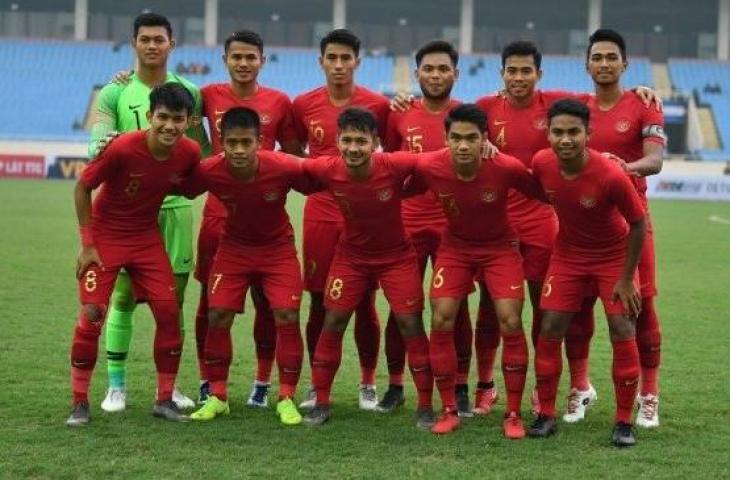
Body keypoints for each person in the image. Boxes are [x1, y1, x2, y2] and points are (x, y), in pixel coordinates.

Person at [88, 12, 209, 413]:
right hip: (128, 213)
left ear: (172, 44)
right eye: (145, 39)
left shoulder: (189, 91)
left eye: (160, 39)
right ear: (134, 43)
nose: (152, 45)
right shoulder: (115, 91)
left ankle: (168, 388)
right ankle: (116, 387)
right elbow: (96, 147)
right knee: (122, 297)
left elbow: (201, 151)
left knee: (172, 303)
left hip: (175, 209)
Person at [66, 83, 201, 426]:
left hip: (145, 238)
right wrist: (87, 244)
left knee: (169, 312)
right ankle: (80, 402)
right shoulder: (123, 148)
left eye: (178, 119)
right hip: (106, 238)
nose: (170, 125)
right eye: (163, 117)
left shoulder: (188, 152)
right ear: (150, 116)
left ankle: (164, 399)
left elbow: (189, 183)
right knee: (93, 312)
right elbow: (83, 187)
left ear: (188, 121)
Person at [411, 104, 545, 438]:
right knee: (441, 316)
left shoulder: (505, 166)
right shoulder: (429, 165)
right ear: (446, 138)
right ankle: (448, 409)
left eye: (471, 138)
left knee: (510, 319)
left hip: (500, 249)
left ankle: (512, 414)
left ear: (485, 138)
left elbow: (546, 192)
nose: (463, 145)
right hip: (455, 248)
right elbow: (396, 183)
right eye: (455, 138)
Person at [177, 107, 313, 426]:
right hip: (234, 249)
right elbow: (176, 184)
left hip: (277, 250)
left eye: (246, 143)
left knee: (287, 315)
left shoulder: (281, 166)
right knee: (217, 314)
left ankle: (287, 397)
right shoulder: (210, 170)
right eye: (232, 142)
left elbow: (323, 175)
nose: (239, 150)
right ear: (222, 141)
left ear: (259, 142)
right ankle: (219, 396)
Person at [300, 108, 435, 429]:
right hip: (351, 258)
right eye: (347, 140)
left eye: (362, 141)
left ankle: (426, 407)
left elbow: (433, 161)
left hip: (397, 258)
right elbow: (288, 165)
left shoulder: (394, 164)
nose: (354, 148)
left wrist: (488, 148)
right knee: (332, 321)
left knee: (410, 324)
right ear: (337, 141)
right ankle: (321, 403)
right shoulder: (328, 168)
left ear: (376, 142)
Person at [528, 98, 646, 448]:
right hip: (568, 257)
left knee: (622, 326)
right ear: (547, 134)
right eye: (558, 132)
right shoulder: (541, 164)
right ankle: (546, 414)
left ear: (588, 134)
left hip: (613, 258)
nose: (565, 139)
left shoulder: (610, 174)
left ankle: (624, 422)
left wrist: (626, 278)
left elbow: (638, 224)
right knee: (550, 326)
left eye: (573, 132)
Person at [195, 29, 302, 408]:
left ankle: (262, 381)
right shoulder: (205, 95)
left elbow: (292, 158)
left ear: (262, 60)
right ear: (225, 59)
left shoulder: (279, 101)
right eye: (236, 57)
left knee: (271, 304)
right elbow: (187, 137)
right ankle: (209, 383)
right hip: (218, 218)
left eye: (250, 57)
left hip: (266, 212)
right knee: (212, 305)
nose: (243, 63)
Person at [569, 28, 665, 428]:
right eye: (598, 57)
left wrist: (624, 168)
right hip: (581, 223)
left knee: (640, 308)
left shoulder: (643, 105)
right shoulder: (575, 109)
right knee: (576, 309)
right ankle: (580, 387)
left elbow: (656, 160)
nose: (604, 64)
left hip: (631, 221)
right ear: (587, 64)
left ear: (624, 64)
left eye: (612, 57)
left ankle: (650, 394)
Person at [292, 29, 390, 410]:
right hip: (320, 214)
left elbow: (393, 159)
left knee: (364, 301)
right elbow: (292, 152)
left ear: (357, 62)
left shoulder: (379, 106)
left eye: (345, 58)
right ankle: (318, 385)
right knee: (318, 301)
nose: (338, 65)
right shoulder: (303, 105)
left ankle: (368, 382)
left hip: (364, 217)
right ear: (321, 62)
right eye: (331, 58)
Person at [379, 40, 474, 417]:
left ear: (456, 73)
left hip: (455, 227)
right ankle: (395, 384)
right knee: (402, 307)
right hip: (407, 224)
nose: (435, 75)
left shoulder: (468, 116)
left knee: (457, 307)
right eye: (428, 69)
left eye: (443, 69)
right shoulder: (399, 114)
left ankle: (462, 386)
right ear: (416, 73)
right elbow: (387, 162)